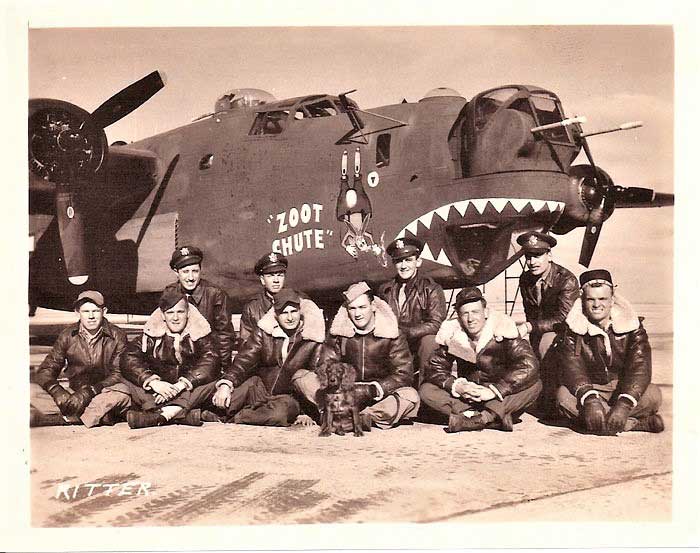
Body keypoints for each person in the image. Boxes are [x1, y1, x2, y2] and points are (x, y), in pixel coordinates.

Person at [553, 269, 664, 435]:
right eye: (591, 299)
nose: (597, 305)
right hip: (593, 387)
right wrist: (589, 398)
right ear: (583, 301)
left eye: (603, 298)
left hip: (623, 385)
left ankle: (601, 422)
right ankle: (632, 424)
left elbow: (640, 366)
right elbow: (572, 367)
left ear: (612, 300)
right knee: (563, 398)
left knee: (653, 395)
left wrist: (625, 403)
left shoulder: (633, 327)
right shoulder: (573, 329)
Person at [420, 287, 541, 432]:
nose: (470, 319)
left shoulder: (504, 331)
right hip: (468, 396)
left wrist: (495, 390)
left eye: (475, 312)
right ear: (459, 316)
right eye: (465, 313)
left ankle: (477, 419)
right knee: (426, 390)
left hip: (498, 396)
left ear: (486, 312)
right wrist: (458, 386)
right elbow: (435, 367)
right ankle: (490, 418)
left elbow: (529, 365)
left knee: (535, 385)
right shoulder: (454, 335)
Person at [210, 289, 325, 426]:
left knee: (278, 415)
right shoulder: (264, 332)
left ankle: (237, 417)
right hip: (260, 389)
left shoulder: (311, 338)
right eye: (284, 313)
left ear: (300, 312)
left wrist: (306, 413)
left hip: (289, 398)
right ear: (275, 315)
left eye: (293, 311)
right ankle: (198, 413)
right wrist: (226, 384)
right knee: (223, 398)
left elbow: (313, 380)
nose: (290, 318)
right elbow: (244, 359)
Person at [320, 282, 420, 430]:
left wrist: (373, 390)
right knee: (303, 378)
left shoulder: (392, 333)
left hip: (379, 395)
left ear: (373, 306)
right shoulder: (339, 333)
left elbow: (403, 373)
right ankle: (341, 414)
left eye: (362, 307)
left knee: (410, 396)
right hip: (344, 392)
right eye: (352, 309)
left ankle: (361, 418)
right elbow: (326, 364)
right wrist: (345, 387)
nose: (357, 314)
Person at [117, 289, 221, 428]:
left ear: (188, 313)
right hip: (159, 391)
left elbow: (210, 360)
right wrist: (153, 382)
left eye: (180, 312)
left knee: (212, 380)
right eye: (170, 312)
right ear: (163, 315)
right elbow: (128, 357)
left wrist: (181, 385)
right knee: (125, 379)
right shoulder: (151, 334)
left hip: (186, 389)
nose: (175, 318)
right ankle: (183, 414)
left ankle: (162, 415)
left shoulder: (200, 334)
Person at [31, 290, 128, 427]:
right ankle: (95, 414)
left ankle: (69, 418)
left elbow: (119, 373)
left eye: (95, 311)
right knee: (31, 392)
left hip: (104, 391)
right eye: (86, 312)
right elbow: (46, 370)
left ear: (104, 311)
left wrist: (91, 391)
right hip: (74, 394)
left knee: (121, 395)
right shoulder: (67, 335)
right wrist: (57, 391)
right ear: (78, 313)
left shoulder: (117, 335)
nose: (91, 316)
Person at [516, 231, 578, 415]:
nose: (532, 262)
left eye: (538, 255)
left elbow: (564, 318)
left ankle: (552, 400)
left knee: (545, 343)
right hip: (538, 332)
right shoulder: (525, 279)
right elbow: (530, 312)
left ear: (549, 255)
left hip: (565, 333)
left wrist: (530, 327)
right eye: (528, 256)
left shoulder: (566, 279)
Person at [377, 237, 446, 386]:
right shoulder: (385, 290)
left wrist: (407, 332)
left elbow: (436, 323)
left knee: (430, 341)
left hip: (416, 344)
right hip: (392, 343)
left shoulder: (431, 289)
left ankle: (424, 391)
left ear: (418, 262)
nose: (403, 266)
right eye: (398, 261)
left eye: (408, 260)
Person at [163, 245, 235, 370]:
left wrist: (223, 369)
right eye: (185, 272)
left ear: (200, 270)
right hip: (180, 362)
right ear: (176, 272)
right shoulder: (169, 292)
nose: (190, 278)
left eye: (195, 271)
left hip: (208, 361)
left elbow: (224, 335)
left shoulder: (215, 294)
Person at [239, 252, 289, 344]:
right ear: (262, 280)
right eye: (270, 276)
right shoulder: (252, 308)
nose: (276, 280)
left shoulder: (299, 301)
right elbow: (246, 345)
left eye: (280, 275)